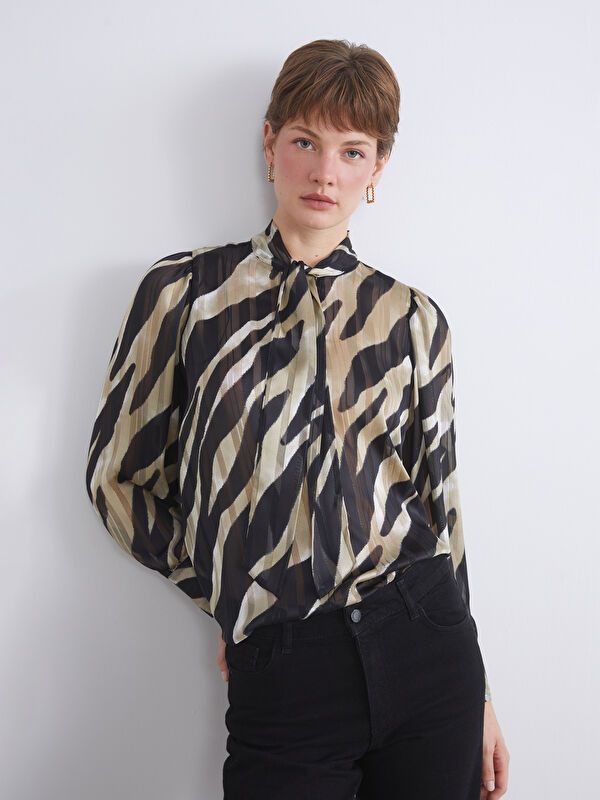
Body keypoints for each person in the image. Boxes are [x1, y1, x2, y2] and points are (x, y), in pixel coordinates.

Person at [85, 38, 509, 800]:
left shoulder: (413, 319)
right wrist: (234, 593)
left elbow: (440, 507)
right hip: (286, 665)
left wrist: (479, 691)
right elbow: (117, 480)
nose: (324, 173)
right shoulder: (184, 296)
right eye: (306, 142)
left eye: (353, 151)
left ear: (378, 168)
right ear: (270, 142)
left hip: (427, 643)